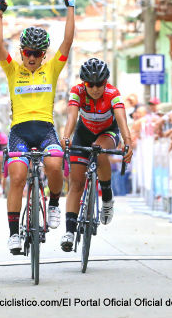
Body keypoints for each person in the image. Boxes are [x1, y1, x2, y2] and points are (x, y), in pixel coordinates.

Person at [0, 0, 75, 253]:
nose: (31, 58)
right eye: (28, 53)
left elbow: (68, 41)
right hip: (19, 131)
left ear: (43, 55)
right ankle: (13, 233)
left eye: (37, 54)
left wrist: (70, 7)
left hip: (45, 130)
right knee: (17, 176)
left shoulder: (50, 69)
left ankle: (52, 204)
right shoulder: (12, 69)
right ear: (22, 52)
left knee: (54, 163)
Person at [59, 59, 133, 251]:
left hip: (107, 132)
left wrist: (128, 141)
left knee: (99, 150)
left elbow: (121, 118)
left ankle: (107, 197)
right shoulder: (77, 91)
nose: (94, 89)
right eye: (90, 84)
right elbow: (72, 117)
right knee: (76, 183)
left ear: (106, 82)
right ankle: (69, 231)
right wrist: (66, 137)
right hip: (83, 133)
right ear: (84, 83)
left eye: (99, 84)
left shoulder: (112, 93)